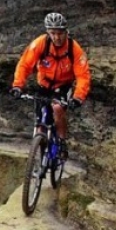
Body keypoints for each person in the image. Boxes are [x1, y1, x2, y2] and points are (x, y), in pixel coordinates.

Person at [10, 12, 91, 159]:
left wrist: (78, 97)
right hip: (44, 84)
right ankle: (37, 153)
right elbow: (24, 65)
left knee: (57, 108)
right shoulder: (40, 43)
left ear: (66, 32)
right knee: (40, 118)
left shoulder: (74, 49)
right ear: (48, 32)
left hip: (63, 85)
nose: (56, 37)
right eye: (53, 33)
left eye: (60, 33)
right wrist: (17, 86)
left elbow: (83, 76)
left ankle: (61, 141)